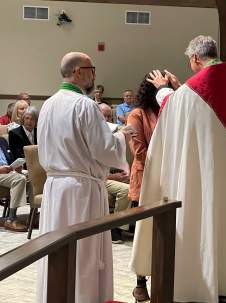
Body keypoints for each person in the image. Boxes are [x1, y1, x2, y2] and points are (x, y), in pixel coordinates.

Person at [129, 35, 226, 303]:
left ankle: (198, 284)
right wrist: (180, 89)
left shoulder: (196, 87)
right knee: (224, 219)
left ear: (194, 59)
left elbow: (174, 110)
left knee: (200, 214)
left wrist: (164, 89)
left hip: (203, 176)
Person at [36, 52, 133, 303]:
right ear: (78, 72)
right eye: (92, 69)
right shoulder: (84, 104)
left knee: (55, 250)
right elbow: (103, 149)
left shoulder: (48, 104)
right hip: (81, 190)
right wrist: (123, 136)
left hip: (55, 188)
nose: (94, 75)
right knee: (84, 253)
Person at [126, 74, 161, 302]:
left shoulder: (165, 111)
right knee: (143, 233)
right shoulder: (136, 114)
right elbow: (139, 150)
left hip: (165, 178)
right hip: (145, 178)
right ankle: (140, 283)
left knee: (161, 232)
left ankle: (161, 276)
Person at [97, 103, 131, 244]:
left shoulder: (115, 133)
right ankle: (114, 227)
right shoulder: (95, 135)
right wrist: (114, 176)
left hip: (113, 175)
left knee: (137, 184)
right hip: (99, 178)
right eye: (103, 116)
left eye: (108, 116)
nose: (106, 119)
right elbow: (95, 168)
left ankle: (130, 226)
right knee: (126, 190)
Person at [0, 137, 28, 232]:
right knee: (19, 179)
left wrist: (15, 167)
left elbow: (10, 159)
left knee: (31, 175)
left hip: (7, 172)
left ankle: (33, 215)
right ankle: (11, 219)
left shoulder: (2, 140)